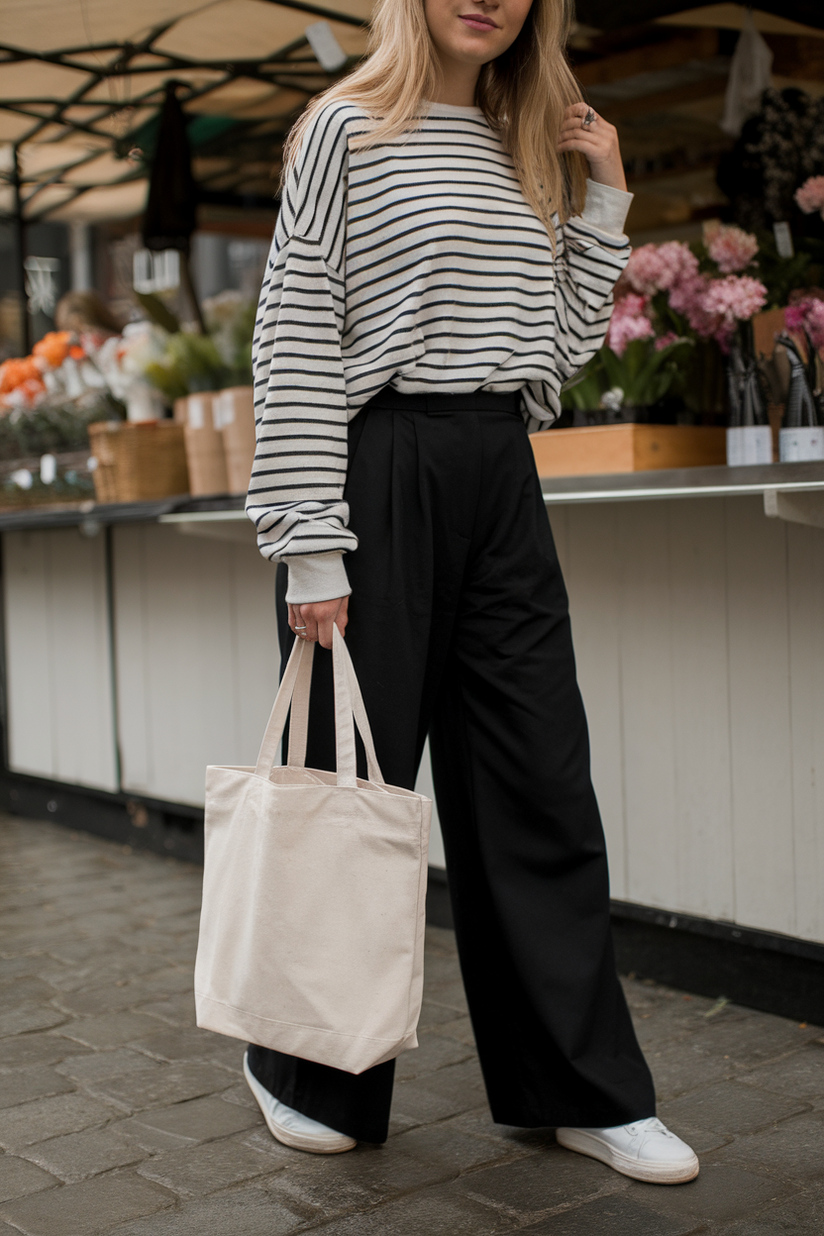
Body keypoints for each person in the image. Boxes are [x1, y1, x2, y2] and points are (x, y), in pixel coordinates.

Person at [243, 0, 700, 1185]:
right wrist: (307, 539)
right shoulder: (341, 127)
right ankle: (306, 1065)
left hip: (498, 466)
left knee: (537, 780)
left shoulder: (521, 139)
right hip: (374, 465)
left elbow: (552, 346)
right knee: (350, 782)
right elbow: (292, 329)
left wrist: (600, 196)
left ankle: (578, 1088)